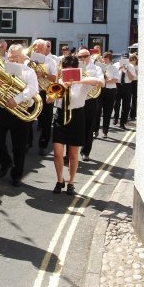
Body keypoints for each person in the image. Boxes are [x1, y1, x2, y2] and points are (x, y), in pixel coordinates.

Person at [49, 55, 101, 195]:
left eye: (71, 71)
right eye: (66, 71)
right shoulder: (59, 82)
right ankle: (60, 180)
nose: (68, 74)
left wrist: (80, 79)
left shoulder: (82, 82)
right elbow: (49, 99)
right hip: (61, 117)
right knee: (58, 153)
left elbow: (100, 82)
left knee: (73, 154)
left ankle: (71, 182)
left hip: (77, 117)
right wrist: (62, 86)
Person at [0, 44, 38, 187]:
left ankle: (17, 174)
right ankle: (6, 163)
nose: (13, 60)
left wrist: (16, 100)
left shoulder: (29, 72)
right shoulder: (2, 68)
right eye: (10, 57)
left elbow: (33, 89)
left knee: (19, 146)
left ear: (23, 57)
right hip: (2, 110)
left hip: (20, 112)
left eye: (16, 57)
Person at [31, 39, 57, 155]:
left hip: (45, 91)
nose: (38, 51)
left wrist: (44, 74)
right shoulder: (29, 61)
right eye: (36, 49)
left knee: (46, 121)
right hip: (32, 92)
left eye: (40, 49)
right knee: (28, 118)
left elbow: (55, 79)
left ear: (45, 49)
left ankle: (43, 145)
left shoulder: (51, 62)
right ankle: (28, 141)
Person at [79, 49, 105, 161]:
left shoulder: (96, 68)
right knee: (75, 126)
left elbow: (102, 83)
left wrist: (89, 79)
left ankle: (85, 152)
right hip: (77, 99)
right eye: (80, 57)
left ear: (89, 56)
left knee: (89, 128)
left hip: (90, 99)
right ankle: (70, 152)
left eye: (85, 56)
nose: (82, 59)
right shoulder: (76, 67)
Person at [98, 52, 120, 138]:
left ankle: (105, 131)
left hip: (110, 91)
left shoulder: (114, 68)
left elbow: (116, 80)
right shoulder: (99, 68)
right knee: (98, 111)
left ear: (110, 59)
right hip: (101, 90)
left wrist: (107, 80)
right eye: (104, 58)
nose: (105, 60)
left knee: (107, 112)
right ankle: (95, 129)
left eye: (107, 58)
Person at [113, 53, 136, 130]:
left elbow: (132, 78)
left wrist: (127, 70)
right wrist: (119, 69)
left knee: (126, 106)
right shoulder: (116, 65)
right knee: (116, 104)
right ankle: (116, 117)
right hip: (118, 85)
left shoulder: (131, 66)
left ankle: (122, 123)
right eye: (123, 59)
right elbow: (113, 76)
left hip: (127, 86)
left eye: (126, 59)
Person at [129, 53, 138, 121]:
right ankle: (127, 112)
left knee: (134, 98)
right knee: (128, 98)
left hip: (135, 82)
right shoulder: (129, 66)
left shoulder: (137, 66)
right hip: (129, 82)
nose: (132, 60)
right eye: (131, 59)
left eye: (133, 59)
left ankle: (133, 114)